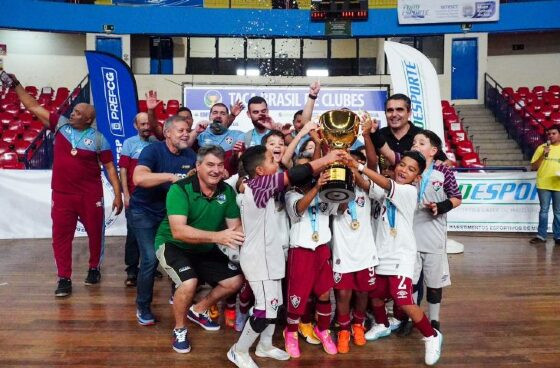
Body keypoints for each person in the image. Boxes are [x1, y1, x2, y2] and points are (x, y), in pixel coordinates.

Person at [6, 72, 123, 297]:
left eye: (78, 112)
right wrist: (17, 85)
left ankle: (93, 267)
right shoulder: (60, 126)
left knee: (95, 234)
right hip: (62, 195)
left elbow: (110, 168)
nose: (72, 113)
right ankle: (64, 278)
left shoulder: (99, 139)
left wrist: (118, 195)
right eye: (74, 110)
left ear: (88, 119)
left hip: (90, 195)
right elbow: (32, 106)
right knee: (60, 237)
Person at [347, 150, 443, 366]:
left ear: (417, 178)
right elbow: (365, 185)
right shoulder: (389, 188)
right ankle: (382, 324)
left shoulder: (408, 191)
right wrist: (351, 166)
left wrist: (360, 166)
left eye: (411, 169)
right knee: (376, 295)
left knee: (403, 300)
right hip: (382, 253)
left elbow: (387, 186)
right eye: (402, 165)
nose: (404, 170)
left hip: (402, 254)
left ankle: (431, 336)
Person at [154, 145, 244, 354]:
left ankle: (199, 309)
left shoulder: (226, 191)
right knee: (189, 283)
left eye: (220, 165)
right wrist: (218, 236)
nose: (216, 170)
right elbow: (178, 231)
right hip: (173, 245)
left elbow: (234, 228)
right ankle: (179, 329)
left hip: (203, 247)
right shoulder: (180, 189)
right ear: (198, 166)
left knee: (235, 281)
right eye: (210, 164)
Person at [130, 115, 197, 326]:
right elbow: (138, 178)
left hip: (171, 213)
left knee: (178, 253)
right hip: (144, 211)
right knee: (150, 258)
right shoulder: (153, 150)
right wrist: (169, 176)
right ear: (167, 133)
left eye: (188, 130)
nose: (186, 133)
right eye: (180, 130)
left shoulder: (190, 155)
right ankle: (143, 306)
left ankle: (176, 294)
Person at [411, 130, 462, 332]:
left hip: (433, 237)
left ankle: (434, 320)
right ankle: (412, 319)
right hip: (409, 237)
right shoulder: (407, 169)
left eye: (421, 143)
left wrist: (440, 207)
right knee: (411, 282)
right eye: (414, 142)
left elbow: (457, 197)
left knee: (433, 283)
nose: (415, 146)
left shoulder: (444, 172)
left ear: (433, 150)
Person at [284, 173, 339, 357]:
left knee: (324, 294)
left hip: (322, 249)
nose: (310, 179)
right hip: (301, 251)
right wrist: (316, 188)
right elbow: (298, 209)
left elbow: (338, 207)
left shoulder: (325, 192)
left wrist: (342, 186)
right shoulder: (291, 193)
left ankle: (322, 330)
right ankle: (291, 332)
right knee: (297, 297)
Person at [331, 150, 379, 354]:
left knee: (362, 292)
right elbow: (339, 210)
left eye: (357, 163)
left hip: (366, 250)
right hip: (342, 250)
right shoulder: (334, 184)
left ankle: (357, 325)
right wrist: (345, 187)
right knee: (343, 293)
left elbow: (373, 163)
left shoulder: (368, 186)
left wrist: (355, 170)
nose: (351, 165)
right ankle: (343, 330)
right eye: (349, 162)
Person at [118, 112, 157, 287]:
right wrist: (125, 194)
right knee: (133, 235)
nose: (146, 127)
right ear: (136, 126)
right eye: (142, 124)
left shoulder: (157, 143)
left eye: (148, 124)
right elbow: (124, 170)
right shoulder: (129, 144)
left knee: (154, 235)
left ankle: (150, 266)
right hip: (134, 198)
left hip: (154, 198)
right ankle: (132, 270)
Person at [530, 124, 560, 245]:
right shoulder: (542, 147)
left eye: (554, 133)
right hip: (543, 183)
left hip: (558, 184)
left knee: (558, 211)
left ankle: (558, 236)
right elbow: (533, 167)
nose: (551, 136)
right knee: (544, 210)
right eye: (549, 134)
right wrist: (544, 154)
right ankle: (541, 235)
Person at [198, 102, 245, 175]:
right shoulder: (200, 136)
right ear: (209, 117)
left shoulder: (238, 135)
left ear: (227, 118)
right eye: (215, 112)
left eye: (223, 113)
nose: (218, 115)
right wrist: (195, 132)